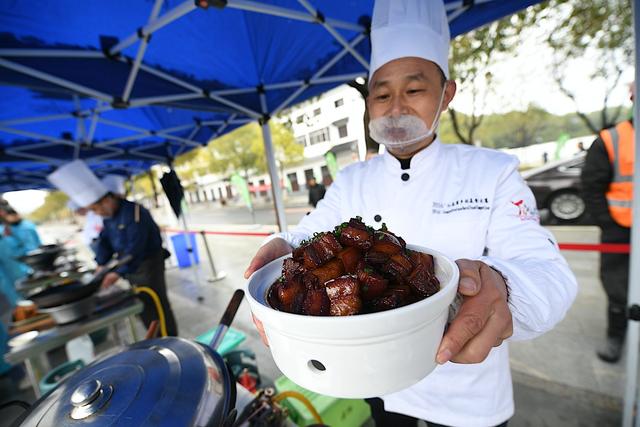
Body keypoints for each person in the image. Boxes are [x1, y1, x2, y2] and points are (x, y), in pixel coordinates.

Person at [244, 1, 577, 426]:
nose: (395, 106)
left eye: (414, 89)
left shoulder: (493, 171)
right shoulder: (351, 181)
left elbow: (551, 276)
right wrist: (286, 246)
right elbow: (310, 233)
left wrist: (504, 287)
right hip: (378, 383)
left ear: (446, 94)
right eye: (381, 93)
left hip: (467, 391)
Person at [48, 161, 178, 336]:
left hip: (148, 265)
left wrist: (117, 273)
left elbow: (135, 248)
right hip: (130, 266)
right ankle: (156, 338)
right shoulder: (110, 217)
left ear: (108, 200)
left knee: (156, 303)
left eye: (96, 208)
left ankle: (170, 338)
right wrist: (101, 264)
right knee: (142, 304)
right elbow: (105, 241)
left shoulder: (134, 212)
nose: (97, 213)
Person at [581, 82, 635, 363]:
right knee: (619, 288)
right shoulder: (612, 139)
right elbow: (591, 187)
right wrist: (609, 224)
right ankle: (617, 335)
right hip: (622, 232)